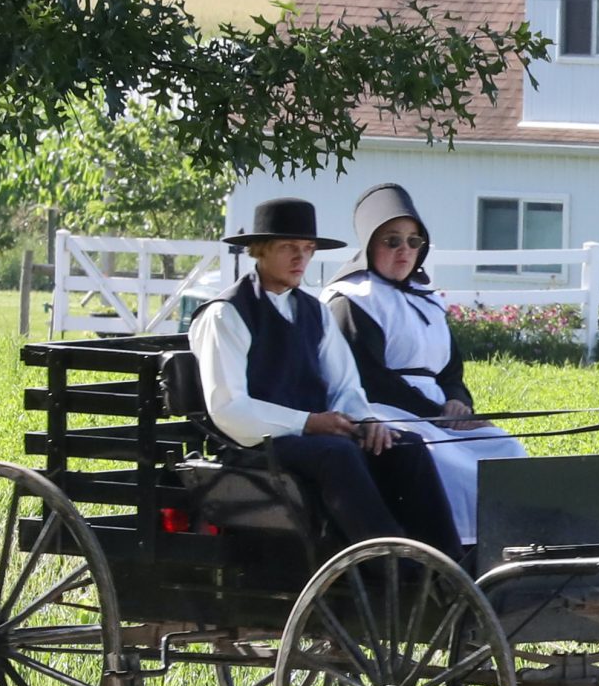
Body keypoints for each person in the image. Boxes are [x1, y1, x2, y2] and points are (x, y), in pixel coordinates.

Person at [185, 197, 464, 566]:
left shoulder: (313, 311)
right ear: (260, 251)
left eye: (307, 249)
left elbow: (345, 385)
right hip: (255, 445)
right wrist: (309, 423)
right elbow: (230, 409)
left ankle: (448, 563)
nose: (300, 259)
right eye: (288, 248)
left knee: (405, 446)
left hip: (313, 437)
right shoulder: (227, 314)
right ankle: (390, 564)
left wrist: (365, 420)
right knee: (337, 453)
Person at [324, 183, 527, 555]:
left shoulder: (429, 302)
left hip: (437, 415)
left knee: (506, 450)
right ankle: (460, 554)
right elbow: (369, 379)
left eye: (414, 242)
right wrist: (435, 414)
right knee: (448, 463)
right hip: (382, 412)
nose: (405, 251)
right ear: (370, 244)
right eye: (393, 241)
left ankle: (513, 545)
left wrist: (457, 402)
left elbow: (451, 370)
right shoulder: (352, 300)